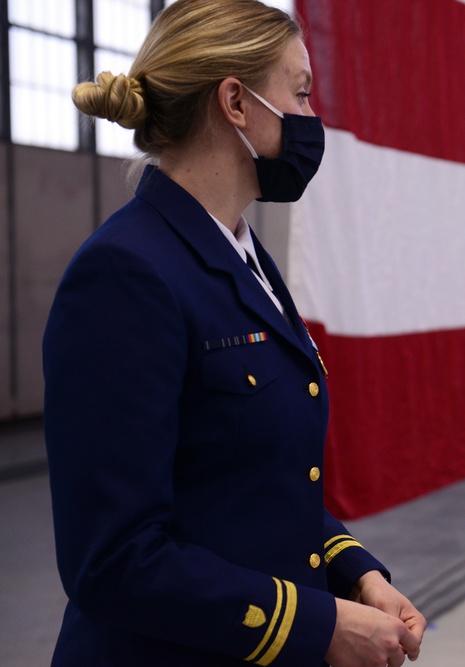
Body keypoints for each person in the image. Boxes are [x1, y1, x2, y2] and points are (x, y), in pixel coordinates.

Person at [43, 1, 425, 665]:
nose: (312, 116)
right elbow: (113, 559)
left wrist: (354, 573)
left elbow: (255, 479)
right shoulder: (126, 272)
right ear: (235, 102)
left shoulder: (244, 257)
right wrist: (317, 624)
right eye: (300, 92)